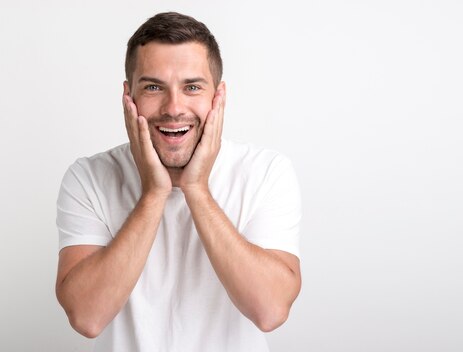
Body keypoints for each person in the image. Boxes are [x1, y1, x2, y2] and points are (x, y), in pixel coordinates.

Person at [55, 12, 302, 352]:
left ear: (219, 96)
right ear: (129, 98)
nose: (174, 108)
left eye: (192, 87)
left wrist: (196, 189)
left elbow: (271, 310)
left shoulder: (266, 172)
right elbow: (86, 317)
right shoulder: (88, 178)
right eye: (154, 87)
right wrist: (154, 194)